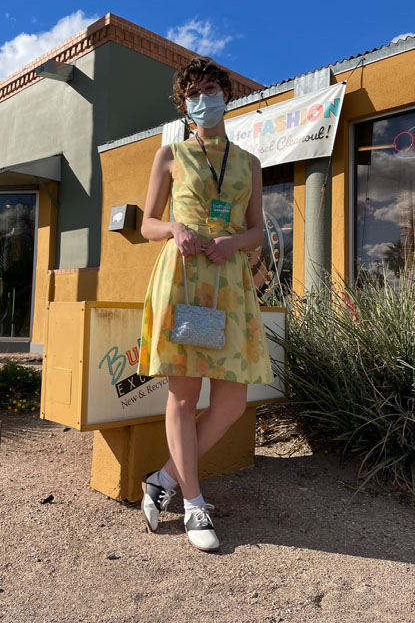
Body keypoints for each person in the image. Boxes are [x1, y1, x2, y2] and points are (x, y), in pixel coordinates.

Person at [137, 56, 273, 552]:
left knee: (232, 401)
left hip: (231, 283)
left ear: (226, 96)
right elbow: (148, 223)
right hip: (183, 279)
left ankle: (163, 480)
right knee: (184, 395)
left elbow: (257, 229)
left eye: (212, 88)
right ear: (184, 102)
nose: (204, 98)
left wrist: (235, 243)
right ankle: (193, 502)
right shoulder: (170, 155)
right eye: (193, 92)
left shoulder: (249, 164)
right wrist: (173, 228)